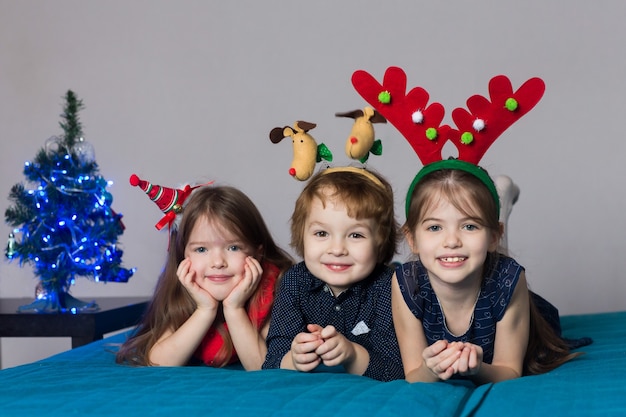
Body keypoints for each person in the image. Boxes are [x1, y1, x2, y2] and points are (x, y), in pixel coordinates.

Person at [392, 160, 582, 384]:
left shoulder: (509, 279)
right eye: (435, 227)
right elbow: (414, 375)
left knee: (493, 264)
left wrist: (477, 369)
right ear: (412, 239)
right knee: (477, 256)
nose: (452, 241)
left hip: (510, 301)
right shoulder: (406, 282)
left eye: (469, 226)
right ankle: (499, 197)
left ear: (494, 236)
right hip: (481, 267)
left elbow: (509, 371)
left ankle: (500, 202)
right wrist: (430, 370)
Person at [115, 183, 293, 370]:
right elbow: (158, 362)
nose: (217, 262)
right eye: (201, 249)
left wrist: (235, 308)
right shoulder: (182, 291)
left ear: (257, 254)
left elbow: (262, 366)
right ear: (184, 255)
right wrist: (205, 309)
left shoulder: (276, 290)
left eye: (233, 248)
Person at [262, 167, 405, 382]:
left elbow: (397, 370)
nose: (337, 249)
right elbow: (272, 361)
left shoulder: (389, 287)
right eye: (322, 233)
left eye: (356, 235)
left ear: (380, 242)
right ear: (302, 236)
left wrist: (353, 355)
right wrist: (293, 359)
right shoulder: (294, 281)